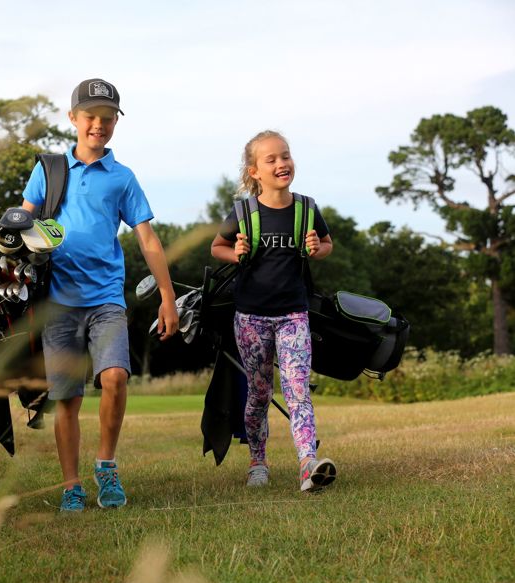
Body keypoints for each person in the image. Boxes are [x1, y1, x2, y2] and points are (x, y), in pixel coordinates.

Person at [21, 78, 179, 512]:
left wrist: (167, 295)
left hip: (107, 298)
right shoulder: (48, 170)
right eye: (90, 116)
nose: (99, 125)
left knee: (114, 377)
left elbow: (147, 239)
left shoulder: (122, 178)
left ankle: (105, 466)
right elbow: (21, 224)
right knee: (67, 398)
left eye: (107, 119)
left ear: (115, 123)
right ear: (73, 118)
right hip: (57, 301)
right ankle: (72, 484)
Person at [210, 130, 337, 492]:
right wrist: (234, 252)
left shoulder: (307, 208)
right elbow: (217, 247)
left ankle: (307, 464)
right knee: (259, 393)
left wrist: (317, 247)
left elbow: (327, 244)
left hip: (294, 314)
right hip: (250, 317)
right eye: (271, 160)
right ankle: (257, 461)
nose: (282, 164)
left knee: (298, 389)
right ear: (254, 172)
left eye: (285, 156)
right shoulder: (243, 211)